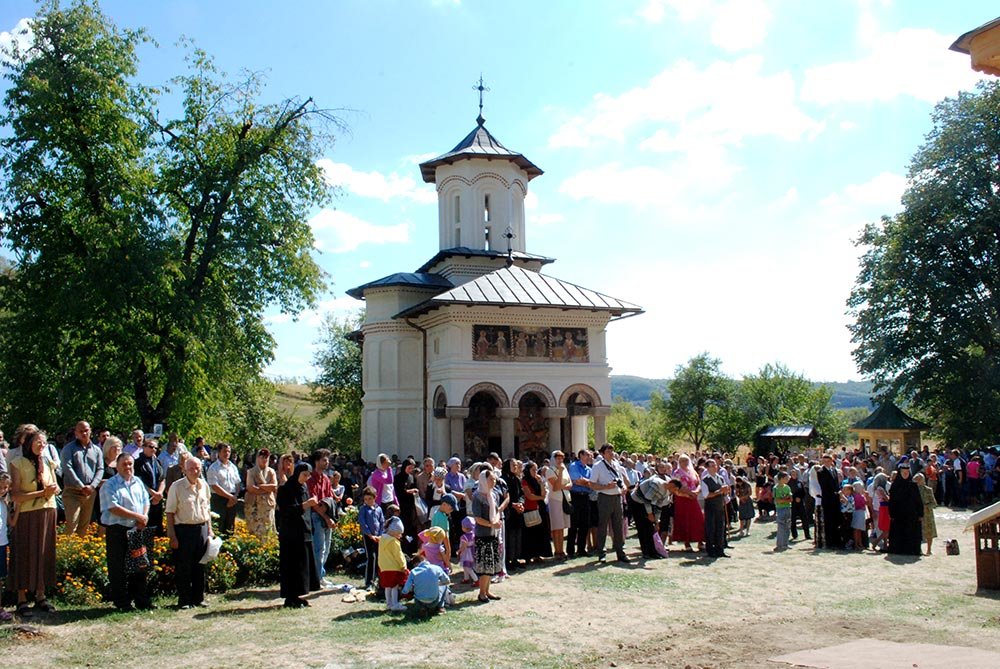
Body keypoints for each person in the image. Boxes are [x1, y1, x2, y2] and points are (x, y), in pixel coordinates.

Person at [10, 427, 60, 616]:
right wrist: (41, 493)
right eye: (38, 441)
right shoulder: (17, 463)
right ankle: (21, 599)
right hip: (27, 514)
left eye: (44, 442)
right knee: (25, 552)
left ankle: (41, 595)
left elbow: (56, 487)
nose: (42, 445)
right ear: (29, 443)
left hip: (47, 511)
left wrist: (52, 490)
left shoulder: (47, 462)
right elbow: (16, 495)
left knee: (43, 552)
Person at [100, 453, 153, 611]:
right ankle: (122, 603)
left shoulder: (138, 482)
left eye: (130, 464)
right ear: (117, 466)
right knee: (118, 567)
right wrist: (138, 516)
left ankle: (141, 601)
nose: (128, 467)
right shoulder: (110, 485)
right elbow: (113, 507)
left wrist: (144, 517)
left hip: (137, 529)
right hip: (117, 530)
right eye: (124, 464)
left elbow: (145, 501)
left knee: (140, 565)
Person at [165, 456, 214, 609]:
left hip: (202, 529)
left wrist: (210, 530)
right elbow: (169, 512)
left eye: (197, 468)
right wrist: (172, 536)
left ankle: (199, 598)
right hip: (184, 530)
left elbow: (208, 509)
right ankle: (184, 600)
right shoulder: (176, 487)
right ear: (184, 470)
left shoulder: (204, 485)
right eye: (191, 468)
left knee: (200, 566)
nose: (195, 471)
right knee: (184, 567)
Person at [276, 461, 320, 608]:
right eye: (304, 475)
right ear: (297, 473)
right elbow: (286, 510)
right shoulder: (286, 489)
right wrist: (306, 504)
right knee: (292, 565)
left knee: (303, 565)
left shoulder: (304, 487)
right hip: (290, 534)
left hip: (304, 531)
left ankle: (299, 595)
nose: (306, 478)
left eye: (308, 475)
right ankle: (290, 597)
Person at [61, 420, 103, 536]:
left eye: (86, 430)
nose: (84, 433)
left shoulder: (97, 450)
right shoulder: (68, 449)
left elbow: (100, 469)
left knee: (84, 525)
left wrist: (92, 486)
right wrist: (81, 486)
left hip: (89, 493)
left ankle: (79, 547)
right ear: (76, 433)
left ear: (90, 431)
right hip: (72, 492)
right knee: (72, 523)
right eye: (81, 431)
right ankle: (67, 546)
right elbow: (67, 468)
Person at [590, 444, 630, 563]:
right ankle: (601, 553)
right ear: (602, 453)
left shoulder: (616, 464)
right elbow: (592, 484)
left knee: (618, 526)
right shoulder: (597, 466)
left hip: (617, 498)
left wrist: (624, 487)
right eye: (608, 451)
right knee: (603, 526)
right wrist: (605, 486)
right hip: (604, 498)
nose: (611, 453)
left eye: (612, 451)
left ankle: (620, 553)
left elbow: (621, 480)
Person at [472, 470, 503, 602]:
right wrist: (491, 524)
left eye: (494, 479)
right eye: (491, 479)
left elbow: (497, 510)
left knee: (491, 565)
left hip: (493, 534)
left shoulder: (494, 494)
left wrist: (497, 521)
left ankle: (487, 591)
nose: (493, 482)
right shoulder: (477, 496)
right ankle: (481, 593)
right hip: (483, 534)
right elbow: (478, 518)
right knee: (485, 566)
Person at [306, 449, 335, 585]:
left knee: (327, 548)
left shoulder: (326, 479)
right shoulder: (310, 479)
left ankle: (320, 575)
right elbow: (314, 503)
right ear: (316, 461)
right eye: (324, 460)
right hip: (316, 516)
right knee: (319, 548)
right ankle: (316, 578)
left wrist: (330, 517)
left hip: (326, 516)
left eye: (327, 460)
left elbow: (329, 499)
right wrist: (326, 518)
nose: (327, 462)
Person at [628, 474, 672, 559]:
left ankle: (653, 552)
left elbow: (658, 506)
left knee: (650, 528)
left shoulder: (666, 492)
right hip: (636, 502)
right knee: (642, 528)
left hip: (647, 504)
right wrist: (650, 514)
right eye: (675, 489)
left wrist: (656, 521)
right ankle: (645, 552)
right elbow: (647, 499)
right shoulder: (657, 484)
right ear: (671, 484)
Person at [888, 462, 923, 556]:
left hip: (912, 514)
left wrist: (920, 514)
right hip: (898, 514)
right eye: (903, 472)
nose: (905, 474)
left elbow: (918, 500)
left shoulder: (913, 485)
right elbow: (891, 501)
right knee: (898, 532)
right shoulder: (895, 485)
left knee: (911, 532)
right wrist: (891, 513)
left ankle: (911, 549)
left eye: (907, 472)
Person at [520, 461, 552, 563]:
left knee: (540, 532)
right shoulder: (524, 481)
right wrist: (540, 498)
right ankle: (528, 556)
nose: (535, 472)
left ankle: (538, 554)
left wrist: (541, 483)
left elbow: (543, 493)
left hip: (540, 508)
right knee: (530, 534)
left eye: (536, 469)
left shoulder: (537, 479)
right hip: (530, 509)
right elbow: (529, 495)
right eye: (533, 470)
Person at [672, 454, 705, 551]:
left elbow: (699, 483)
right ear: (679, 462)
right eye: (682, 461)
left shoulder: (693, 472)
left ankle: (700, 541)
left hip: (693, 498)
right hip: (682, 499)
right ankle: (687, 543)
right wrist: (689, 493)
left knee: (698, 518)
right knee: (685, 519)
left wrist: (696, 492)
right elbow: (676, 487)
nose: (685, 462)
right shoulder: (677, 473)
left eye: (686, 460)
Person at [207, 442, 240, 535]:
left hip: (232, 499)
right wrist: (230, 497)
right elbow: (214, 486)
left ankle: (229, 543)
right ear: (219, 452)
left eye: (229, 451)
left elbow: (238, 483)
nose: (227, 453)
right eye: (225, 451)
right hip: (219, 499)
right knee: (219, 526)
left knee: (230, 526)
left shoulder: (233, 467)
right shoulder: (213, 468)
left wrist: (235, 496)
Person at [134, 439, 166, 535]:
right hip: (145, 498)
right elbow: (139, 481)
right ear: (144, 447)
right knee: (145, 527)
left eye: (156, 448)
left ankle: (158, 543)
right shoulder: (137, 463)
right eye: (151, 447)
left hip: (157, 499)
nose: (154, 449)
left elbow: (162, 479)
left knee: (157, 527)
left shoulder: (157, 462)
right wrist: (153, 494)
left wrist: (159, 493)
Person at [700, 459, 731, 558]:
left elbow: (724, 492)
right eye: (712, 466)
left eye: (715, 465)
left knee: (720, 528)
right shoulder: (705, 480)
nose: (715, 467)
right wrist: (720, 491)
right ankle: (710, 550)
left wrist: (725, 492)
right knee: (710, 529)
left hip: (720, 507)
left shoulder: (720, 478)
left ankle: (720, 550)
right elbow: (706, 495)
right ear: (707, 468)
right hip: (710, 507)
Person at [545, 450, 572, 559]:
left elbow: (570, 484)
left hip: (565, 499)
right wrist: (560, 473)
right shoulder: (550, 471)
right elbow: (555, 487)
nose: (560, 460)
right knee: (556, 527)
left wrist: (562, 485)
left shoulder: (564, 469)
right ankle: (557, 551)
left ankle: (562, 550)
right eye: (558, 458)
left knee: (562, 527)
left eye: (561, 458)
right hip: (555, 500)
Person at [245, 448, 277, 538]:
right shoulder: (251, 472)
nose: (264, 460)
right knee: (254, 531)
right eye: (262, 457)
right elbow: (251, 488)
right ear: (258, 458)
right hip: (254, 505)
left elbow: (274, 487)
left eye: (266, 457)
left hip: (267, 505)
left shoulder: (271, 472)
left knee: (268, 530)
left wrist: (260, 486)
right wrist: (267, 489)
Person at [566, 449, 593, 558]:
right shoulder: (574, 466)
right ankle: (570, 550)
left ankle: (581, 549)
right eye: (587, 455)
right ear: (581, 455)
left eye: (590, 455)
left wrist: (585, 482)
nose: (589, 457)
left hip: (585, 497)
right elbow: (576, 480)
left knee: (584, 524)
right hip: (575, 497)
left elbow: (592, 484)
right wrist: (587, 482)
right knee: (573, 524)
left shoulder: (589, 469)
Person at [379, 516, 408, 612]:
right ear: (393, 531)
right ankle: (395, 604)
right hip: (394, 567)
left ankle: (389, 604)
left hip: (384, 567)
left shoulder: (382, 539)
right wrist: (403, 565)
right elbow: (398, 555)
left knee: (387, 586)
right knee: (394, 586)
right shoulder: (394, 542)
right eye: (399, 533)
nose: (400, 535)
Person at [359, 486, 384, 591]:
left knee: (379, 557)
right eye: (366, 499)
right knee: (371, 557)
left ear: (375, 498)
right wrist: (370, 535)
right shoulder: (363, 509)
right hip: (368, 536)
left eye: (370, 499)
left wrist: (380, 535)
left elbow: (382, 522)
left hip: (378, 537)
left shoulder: (378, 509)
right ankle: (369, 581)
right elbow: (363, 523)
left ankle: (378, 579)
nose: (368, 501)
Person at [817, 454, 844, 549]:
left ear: (831, 461)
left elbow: (836, 484)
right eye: (824, 461)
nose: (826, 463)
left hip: (835, 499)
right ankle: (829, 542)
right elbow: (824, 486)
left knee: (836, 520)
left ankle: (837, 540)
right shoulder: (821, 472)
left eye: (828, 461)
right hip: (828, 499)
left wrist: (839, 493)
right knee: (829, 521)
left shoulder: (834, 470)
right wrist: (834, 493)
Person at [0, 472, 13, 622]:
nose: (2, 490)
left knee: (0, 578)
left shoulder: (4, 504)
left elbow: (11, 523)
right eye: (0, 487)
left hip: (2, 543)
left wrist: (18, 507)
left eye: (5, 487)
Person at [914, 473, 937, 555]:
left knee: (929, 532)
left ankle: (929, 549)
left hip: (927, 514)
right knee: (917, 532)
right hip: (916, 514)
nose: (918, 481)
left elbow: (934, 503)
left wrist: (926, 506)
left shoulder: (928, 490)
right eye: (916, 479)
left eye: (919, 479)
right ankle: (918, 549)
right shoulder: (913, 490)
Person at [774, 472, 792, 551]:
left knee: (787, 526)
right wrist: (785, 499)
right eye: (786, 478)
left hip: (788, 507)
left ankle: (785, 544)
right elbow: (778, 500)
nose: (788, 479)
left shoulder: (787, 487)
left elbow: (790, 498)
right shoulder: (776, 488)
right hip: (780, 508)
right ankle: (779, 545)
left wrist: (784, 499)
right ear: (781, 479)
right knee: (781, 527)